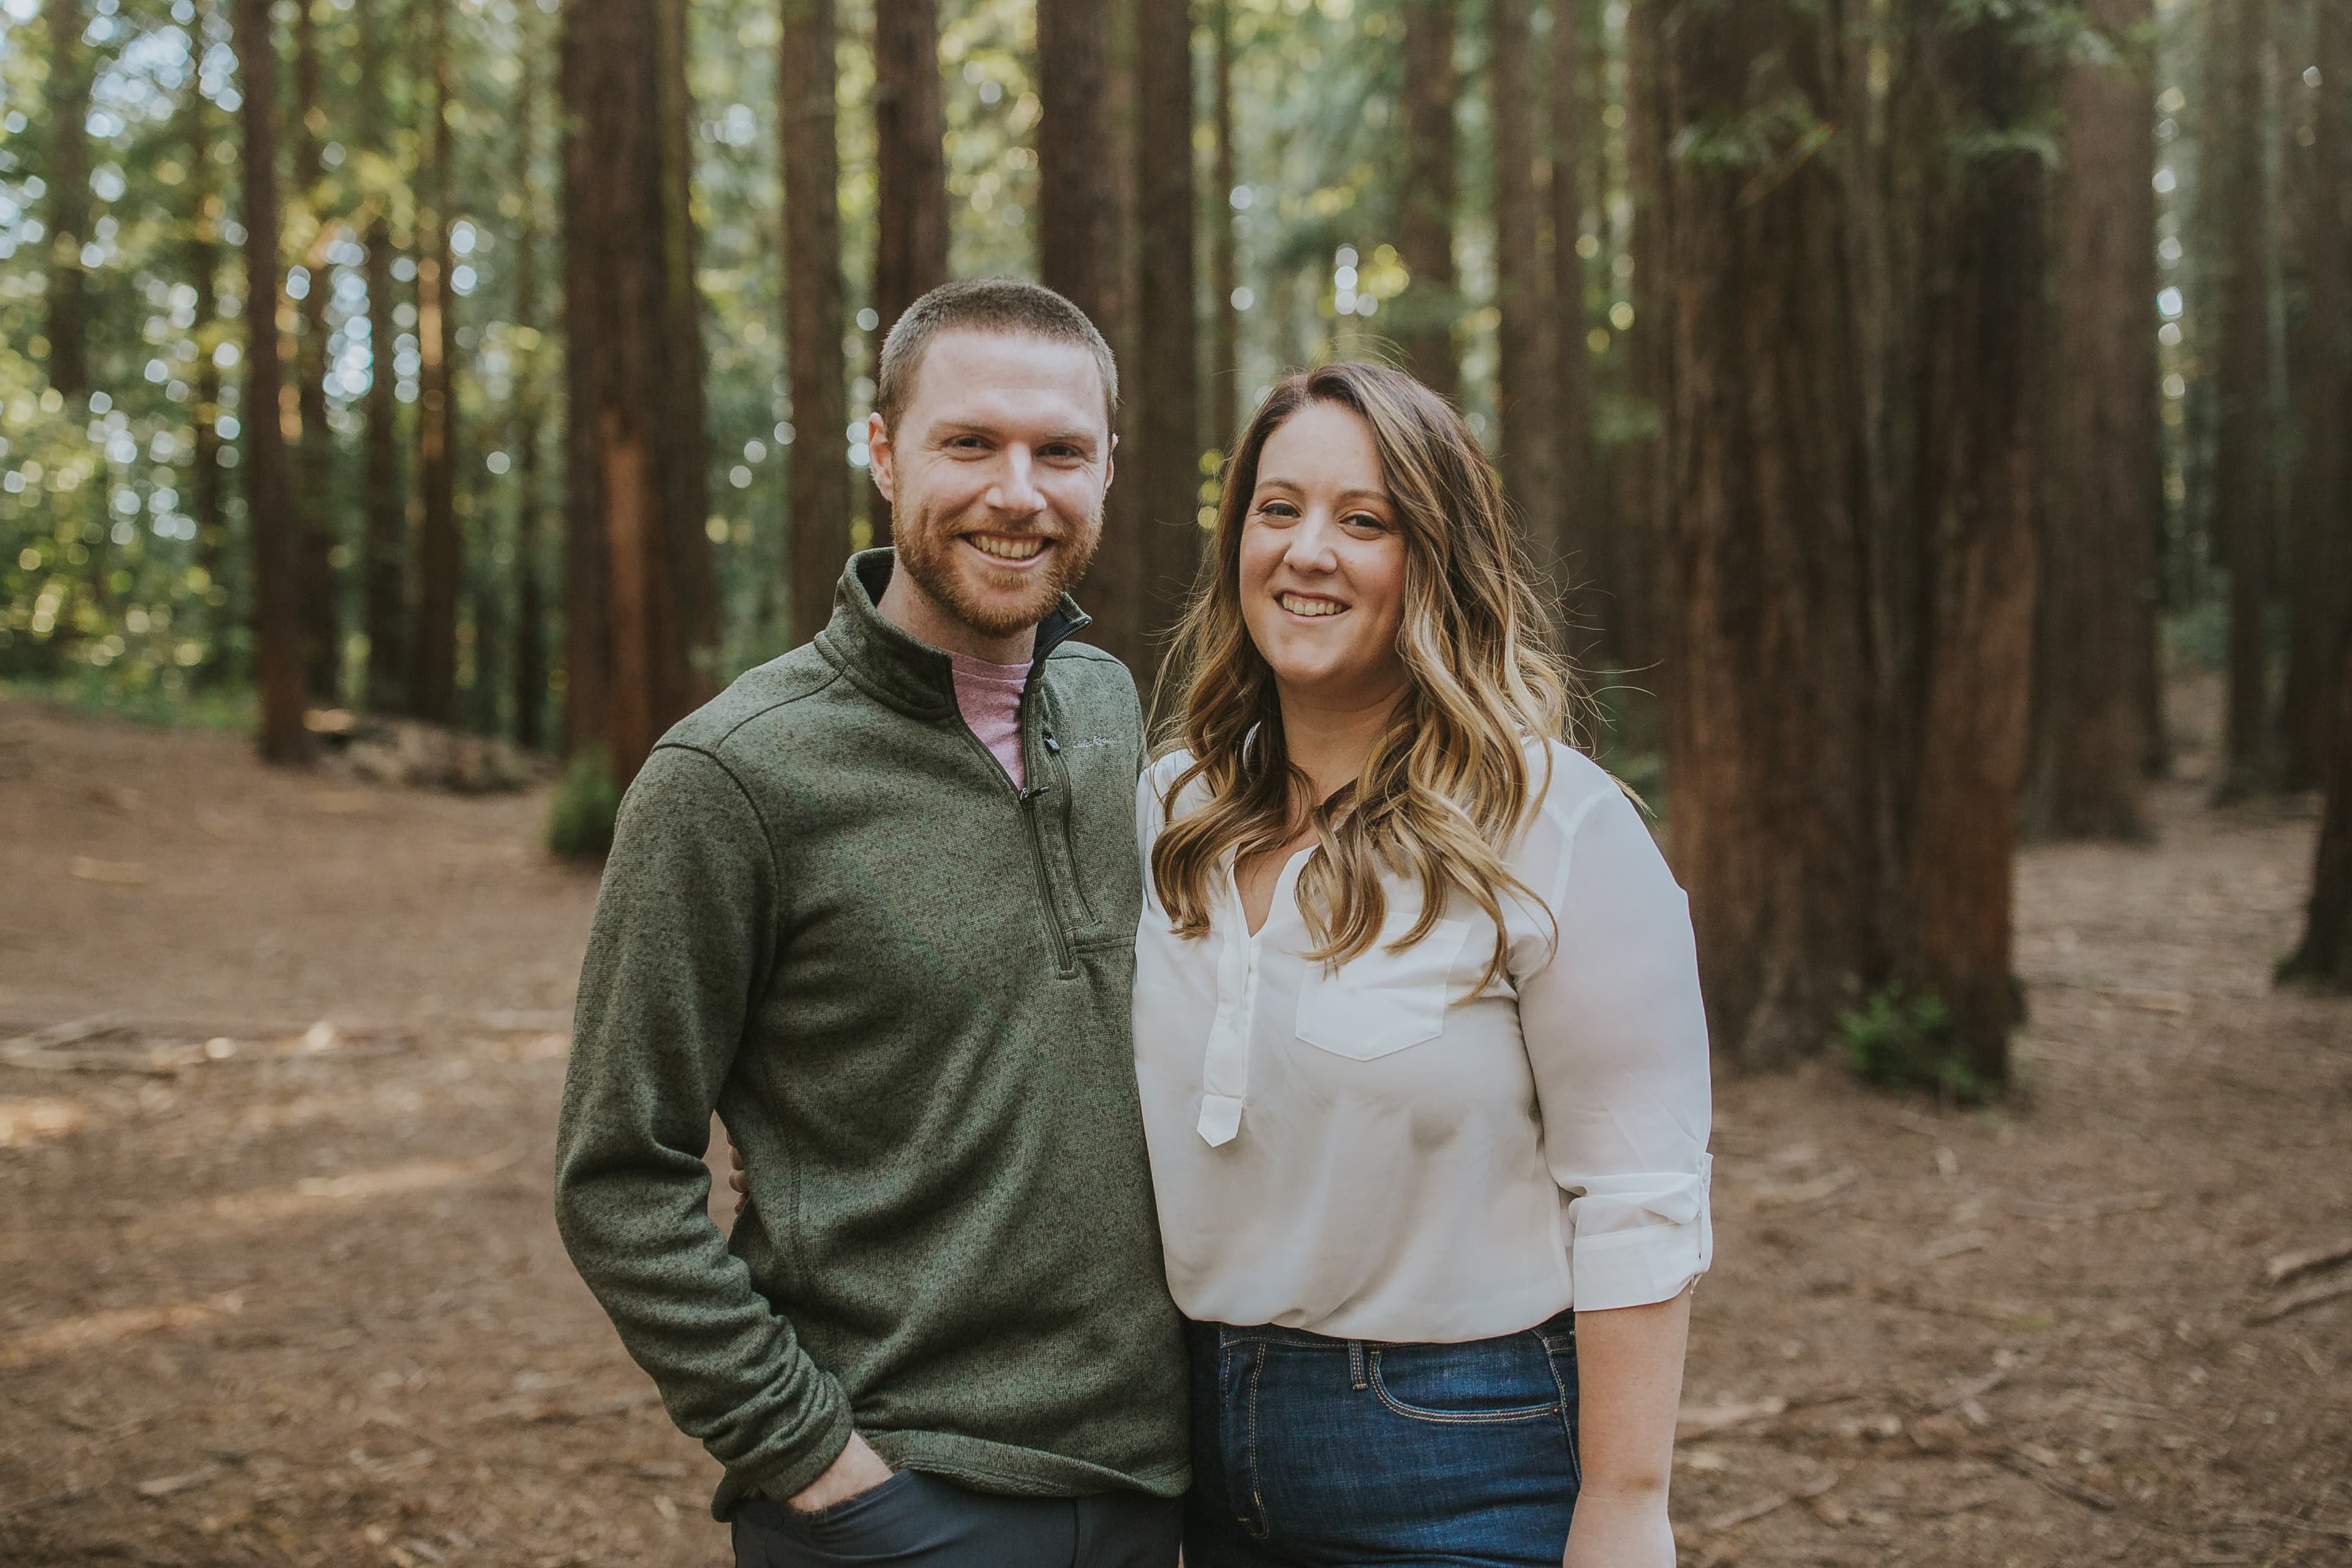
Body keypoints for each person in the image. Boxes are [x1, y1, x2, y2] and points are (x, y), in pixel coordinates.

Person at [553, 277, 1188, 1568]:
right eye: (971, 442)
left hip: (1157, 1484)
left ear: (1109, 470)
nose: (1020, 491)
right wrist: (816, 1461)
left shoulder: (1113, 705)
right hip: (901, 1498)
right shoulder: (731, 778)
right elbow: (620, 1172)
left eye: (1060, 450)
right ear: (885, 449)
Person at [1134, 361, 1712, 1568]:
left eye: (1365, 519)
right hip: (1186, 1444)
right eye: (1277, 508)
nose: (1307, 552)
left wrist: (1624, 1504)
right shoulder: (1170, 807)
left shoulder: (1556, 824)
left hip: (1461, 1455)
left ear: (1434, 556)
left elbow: (1639, 1196)